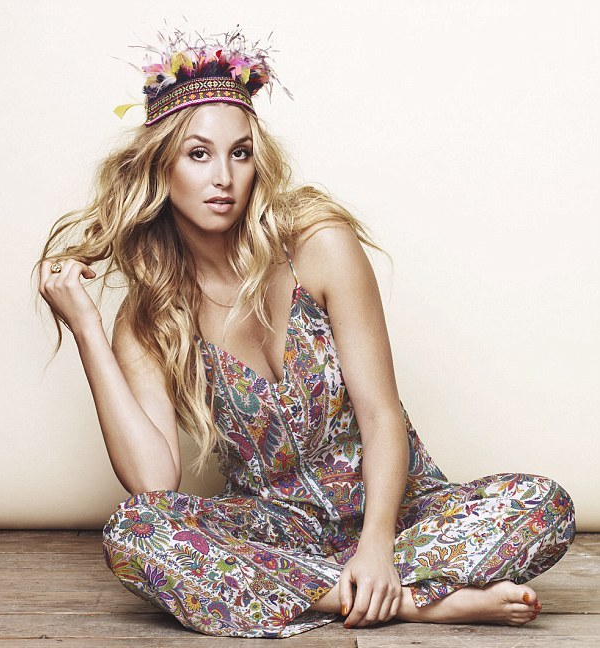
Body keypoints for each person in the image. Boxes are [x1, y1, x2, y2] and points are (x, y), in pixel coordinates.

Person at [34, 25, 576, 639]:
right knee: (135, 531)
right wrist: (87, 329)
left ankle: (345, 585)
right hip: (275, 529)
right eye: (198, 154)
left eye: (240, 153)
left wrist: (376, 545)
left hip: (398, 514)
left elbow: (382, 414)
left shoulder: (319, 247)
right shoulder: (150, 317)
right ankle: (414, 603)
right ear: (161, 168)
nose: (223, 177)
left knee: (545, 504)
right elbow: (154, 484)